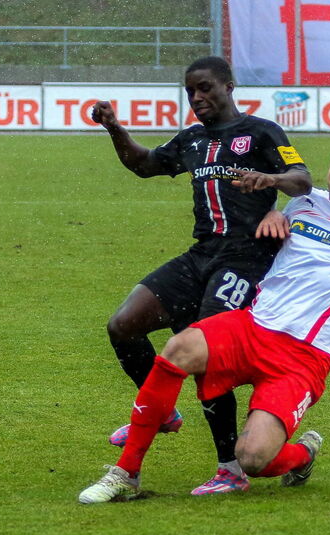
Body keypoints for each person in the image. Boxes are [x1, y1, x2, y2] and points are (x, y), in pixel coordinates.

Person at [78, 132, 330, 504]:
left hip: (304, 358)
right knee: (178, 348)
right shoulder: (305, 202)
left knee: (254, 458)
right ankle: (124, 475)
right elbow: (266, 224)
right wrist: (273, 215)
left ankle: (302, 453)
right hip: (252, 328)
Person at [88, 56, 313, 495]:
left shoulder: (262, 132)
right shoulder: (192, 139)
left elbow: (302, 179)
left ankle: (231, 467)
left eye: (206, 88)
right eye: (191, 91)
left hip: (245, 260)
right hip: (202, 255)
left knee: (208, 356)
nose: (198, 97)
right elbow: (143, 163)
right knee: (123, 326)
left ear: (229, 86)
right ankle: (163, 410)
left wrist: (269, 180)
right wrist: (114, 127)